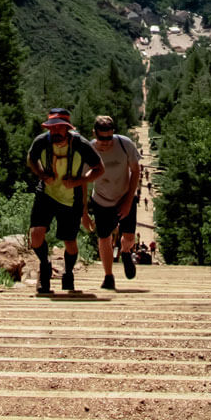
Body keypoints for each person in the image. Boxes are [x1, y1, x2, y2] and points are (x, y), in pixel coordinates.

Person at [27, 109, 104, 293]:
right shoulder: (41, 141)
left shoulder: (80, 144)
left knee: (70, 242)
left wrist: (79, 181)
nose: (55, 132)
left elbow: (99, 169)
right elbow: (31, 158)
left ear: (67, 129)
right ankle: (44, 267)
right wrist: (41, 174)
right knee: (36, 235)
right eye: (51, 128)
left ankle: (68, 272)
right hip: (46, 194)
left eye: (59, 128)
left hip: (71, 199)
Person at [82, 115, 141, 290]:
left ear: (113, 133)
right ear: (94, 134)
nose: (106, 142)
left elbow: (136, 171)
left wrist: (129, 200)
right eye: (101, 138)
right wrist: (84, 213)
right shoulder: (89, 150)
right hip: (101, 199)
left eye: (108, 138)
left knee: (129, 237)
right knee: (104, 237)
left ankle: (125, 251)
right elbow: (82, 182)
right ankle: (108, 276)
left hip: (124, 195)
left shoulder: (125, 145)